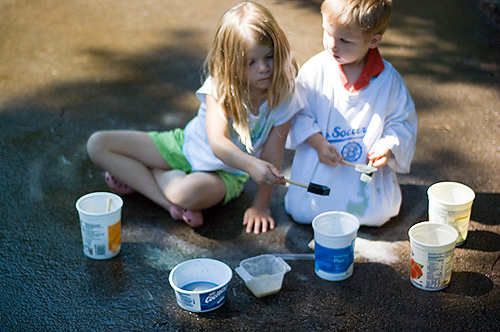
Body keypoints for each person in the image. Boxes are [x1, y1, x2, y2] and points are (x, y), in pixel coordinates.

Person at [87, 1, 301, 234]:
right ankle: (168, 203)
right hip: (184, 146)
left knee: (185, 193)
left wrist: (261, 206)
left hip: (224, 174)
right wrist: (252, 164)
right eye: (250, 62)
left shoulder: (283, 95)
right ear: (230, 64)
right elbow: (218, 142)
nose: (263, 68)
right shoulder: (222, 86)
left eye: (268, 56)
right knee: (98, 144)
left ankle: (149, 176)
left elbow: (273, 156)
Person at [285, 0, 417, 226]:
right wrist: (317, 143)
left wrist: (388, 146)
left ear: (373, 41)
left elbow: (402, 121)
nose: (332, 45)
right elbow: (297, 112)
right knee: (301, 211)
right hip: (321, 166)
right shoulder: (315, 71)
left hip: (362, 176)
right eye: (327, 33)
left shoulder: (388, 80)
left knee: (378, 214)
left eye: (345, 40)